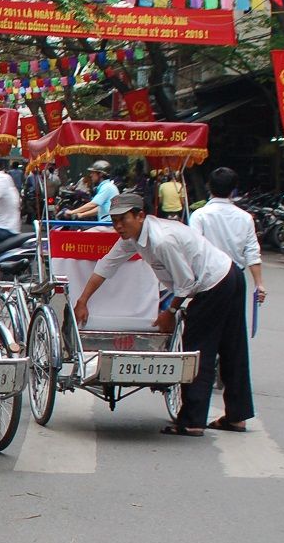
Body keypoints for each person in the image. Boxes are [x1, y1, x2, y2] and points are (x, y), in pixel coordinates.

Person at [72, 193, 249, 436]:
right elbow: (107, 265)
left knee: (198, 349)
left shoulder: (161, 240)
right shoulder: (131, 237)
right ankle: (237, 416)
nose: (118, 226)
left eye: (123, 219)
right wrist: (83, 300)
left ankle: (192, 420)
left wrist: (171, 311)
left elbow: (186, 282)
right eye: (114, 221)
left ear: (140, 215)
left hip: (214, 282)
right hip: (227, 275)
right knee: (231, 346)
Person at [190, 166, 267, 306]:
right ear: (233, 191)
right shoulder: (245, 218)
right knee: (233, 326)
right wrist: (259, 284)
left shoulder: (199, 215)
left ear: (209, 187)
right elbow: (252, 252)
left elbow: (193, 250)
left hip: (208, 278)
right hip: (235, 279)